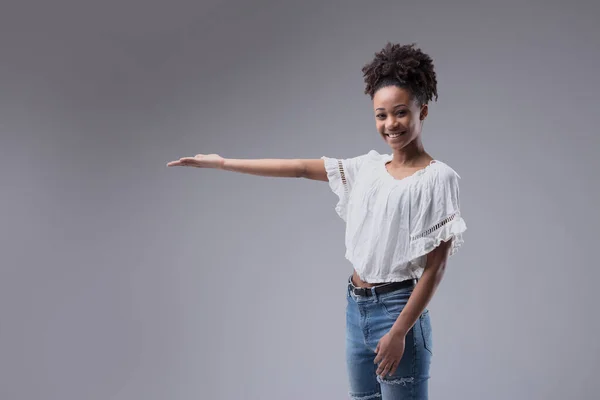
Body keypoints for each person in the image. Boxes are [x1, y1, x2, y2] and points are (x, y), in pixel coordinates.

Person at [167, 42, 467, 400]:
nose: (390, 124)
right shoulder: (367, 168)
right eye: (380, 115)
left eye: (400, 112)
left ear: (423, 110)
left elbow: (436, 268)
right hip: (357, 309)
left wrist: (400, 332)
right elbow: (297, 168)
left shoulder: (438, 178)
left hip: (399, 311)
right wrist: (222, 162)